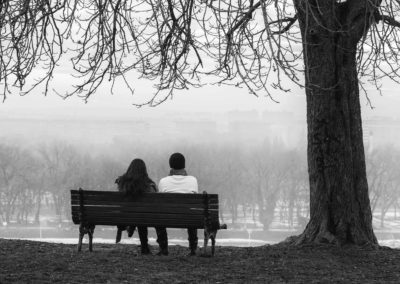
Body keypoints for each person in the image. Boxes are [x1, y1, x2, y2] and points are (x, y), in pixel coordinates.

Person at [156, 152, 199, 256]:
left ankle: (164, 248)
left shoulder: (163, 181)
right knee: (191, 215)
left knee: (158, 218)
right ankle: (193, 249)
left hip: (167, 218)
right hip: (189, 218)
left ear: (170, 165)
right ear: (184, 165)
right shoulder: (193, 180)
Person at [115, 158, 157, 255]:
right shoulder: (148, 184)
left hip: (124, 216)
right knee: (141, 216)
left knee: (136, 214)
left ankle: (131, 226)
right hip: (143, 217)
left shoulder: (122, 182)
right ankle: (144, 247)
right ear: (144, 170)